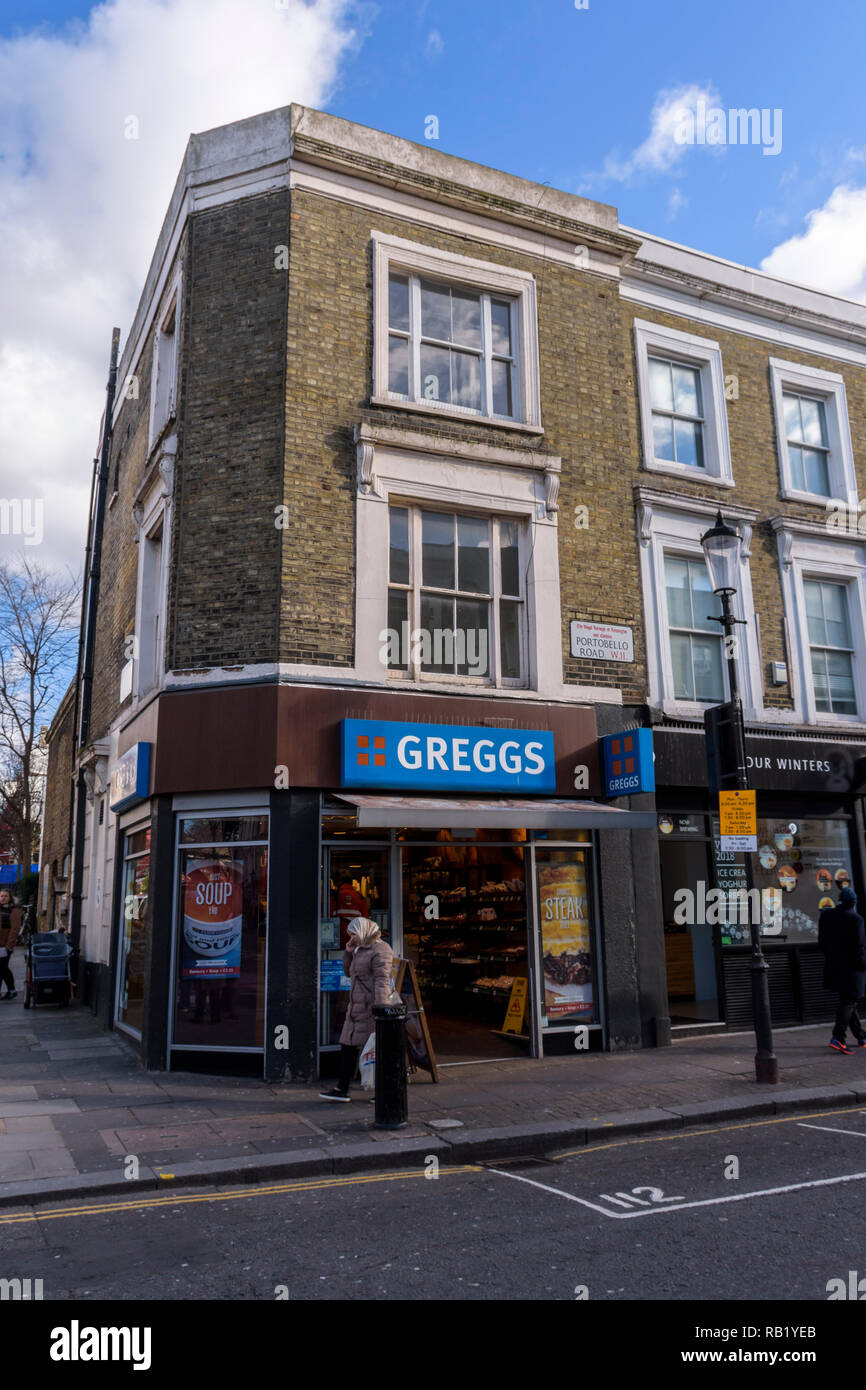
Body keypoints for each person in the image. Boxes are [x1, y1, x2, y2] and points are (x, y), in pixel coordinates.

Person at [319, 917, 393, 1101]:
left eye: (353, 934)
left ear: (362, 931)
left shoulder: (381, 949)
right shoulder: (360, 949)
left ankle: (381, 1091)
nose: (351, 938)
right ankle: (341, 1089)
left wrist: (381, 1009)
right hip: (355, 1008)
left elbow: (382, 981)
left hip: (370, 1008)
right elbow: (347, 972)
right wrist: (348, 953)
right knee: (347, 1045)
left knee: (376, 1049)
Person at [818, 885, 866, 1054]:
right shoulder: (856, 920)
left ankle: (861, 1036)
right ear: (853, 903)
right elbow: (859, 947)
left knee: (848, 1001)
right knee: (848, 1001)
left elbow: (821, 943)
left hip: (834, 967)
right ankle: (838, 1037)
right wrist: (863, 964)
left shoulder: (826, 916)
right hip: (853, 969)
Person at [0, 889, 22, 1000]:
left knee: (2, 968)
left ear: (10, 898)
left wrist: (8, 947)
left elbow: (14, 930)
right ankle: (11, 990)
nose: (3, 898)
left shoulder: (14, 911)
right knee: (3, 969)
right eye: (1, 896)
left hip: (5, 946)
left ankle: (12, 990)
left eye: (5, 896)